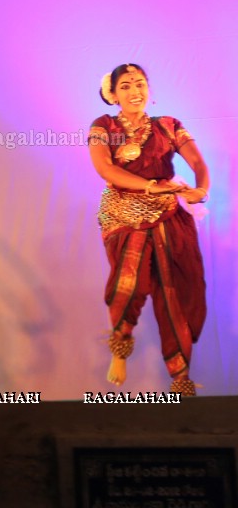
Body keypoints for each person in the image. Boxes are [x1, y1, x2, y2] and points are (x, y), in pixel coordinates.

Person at [89, 64, 210, 395]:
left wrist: (200, 189)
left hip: (168, 215)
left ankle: (181, 378)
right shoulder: (105, 126)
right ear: (113, 94)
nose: (135, 91)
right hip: (124, 213)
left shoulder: (169, 125)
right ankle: (121, 344)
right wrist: (148, 188)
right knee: (130, 282)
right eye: (126, 85)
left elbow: (198, 163)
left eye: (140, 84)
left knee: (174, 291)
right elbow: (105, 168)